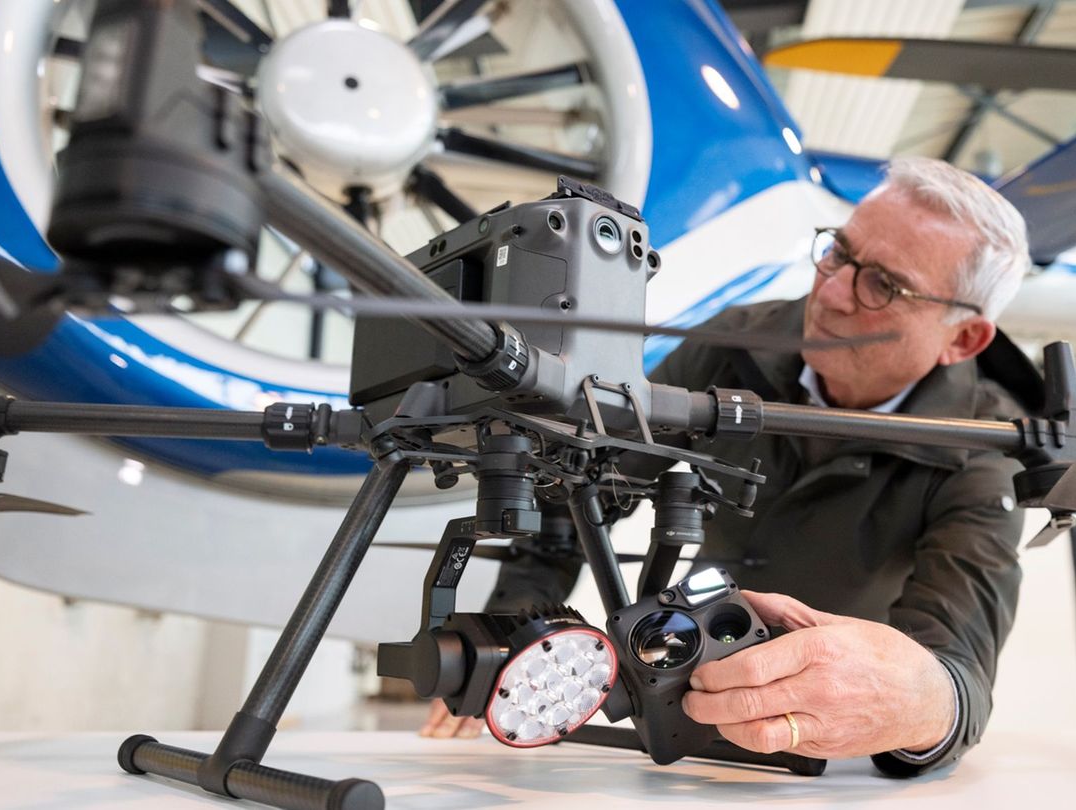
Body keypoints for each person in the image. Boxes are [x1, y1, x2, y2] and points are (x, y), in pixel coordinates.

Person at [420, 156, 1032, 776]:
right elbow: (581, 478)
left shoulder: (983, 449)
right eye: (838, 253)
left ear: (964, 339)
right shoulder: (733, 346)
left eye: (884, 286)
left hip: (828, 740)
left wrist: (915, 705)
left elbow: (957, 676)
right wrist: (514, 633)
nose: (834, 292)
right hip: (688, 697)